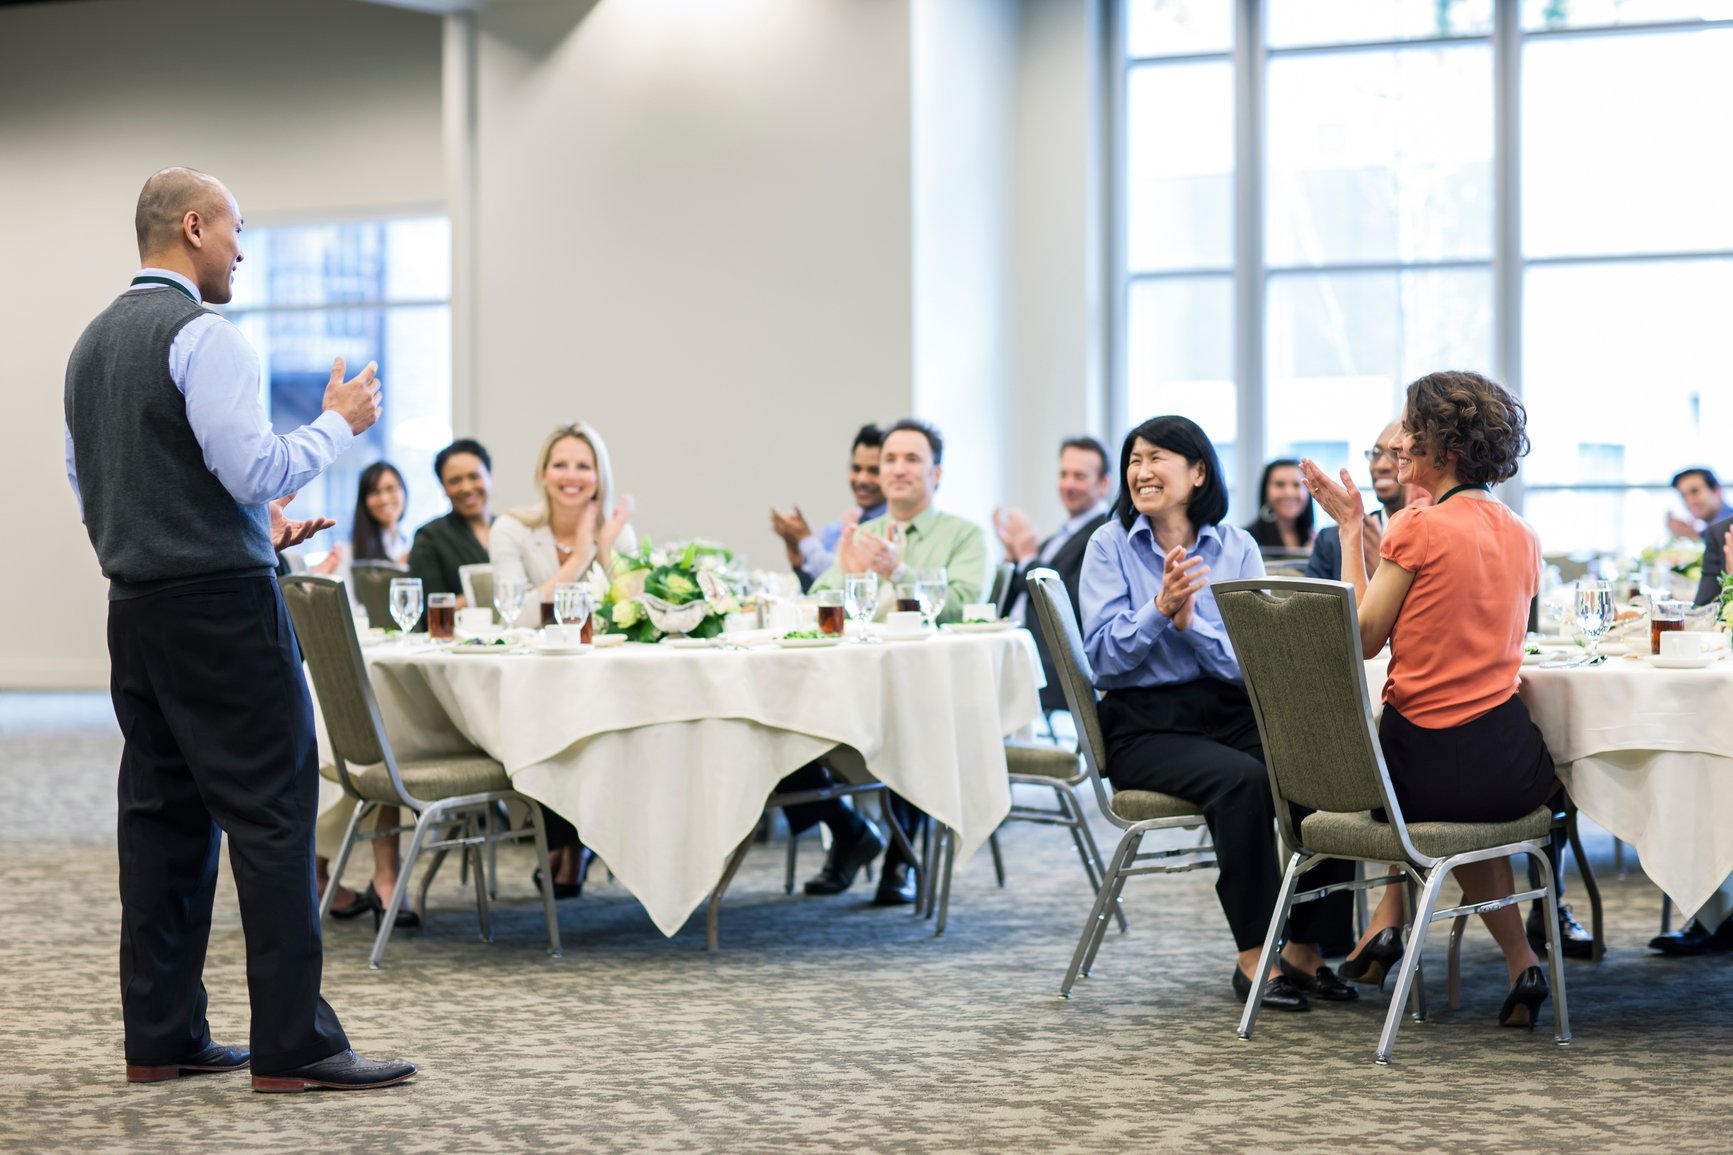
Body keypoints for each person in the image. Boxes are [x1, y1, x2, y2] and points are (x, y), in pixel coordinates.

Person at [62, 167, 414, 1091]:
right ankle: (295, 1045)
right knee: (272, 814)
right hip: (222, 613)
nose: (243, 250)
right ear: (191, 228)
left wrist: (246, 529)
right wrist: (337, 426)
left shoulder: (88, 347)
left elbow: (98, 484)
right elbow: (254, 465)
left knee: (163, 824)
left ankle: (162, 1036)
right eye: (235, 230)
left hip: (136, 612)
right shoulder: (204, 336)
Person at [1302, 369, 1558, 1030]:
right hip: (1511, 766)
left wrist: (1349, 529)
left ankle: (1404, 932)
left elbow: (1361, 637)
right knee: (1475, 827)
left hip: (1423, 765)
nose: (1401, 445)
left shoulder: (1416, 525)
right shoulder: (1522, 534)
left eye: (1411, 433)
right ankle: (1519, 960)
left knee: (1418, 781)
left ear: (1440, 448)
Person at [1080, 416, 1357, 1013]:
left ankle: (1308, 950)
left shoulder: (1235, 546)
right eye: (1134, 459)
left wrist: (1192, 624)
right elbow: (1102, 659)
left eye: (1157, 457)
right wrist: (1159, 610)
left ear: (1198, 471)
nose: (1141, 470)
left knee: (1322, 766)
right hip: (1144, 723)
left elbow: (1250, 660)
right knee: (1244, 782)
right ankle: (1255, 956)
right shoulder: (1107, 545)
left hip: (1230, 705)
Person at [792, 419, 991, 905]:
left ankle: (901, 860)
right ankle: (852, 830)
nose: (898, 469)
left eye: (912, 459)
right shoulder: (862, 533)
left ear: (936, 472)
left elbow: (964, 605)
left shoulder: (964, 536)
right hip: (852, 687)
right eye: (890, 460)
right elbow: (817, 605)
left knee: (912, 724)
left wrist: (897, 573)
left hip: (928, 694)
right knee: (780, 715)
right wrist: (852, 577)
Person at [490, 422, 635, 897]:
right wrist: (581, 557)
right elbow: (517, 615)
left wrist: (608, 549)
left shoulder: (619, 532)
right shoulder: (512, 528)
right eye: (561, 465)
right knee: (551, 724)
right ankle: (568, 846)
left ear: (598, 475)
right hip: (533, 687)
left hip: (603, 686)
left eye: (583, 466)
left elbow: (632, 612)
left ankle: (575, 845)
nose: (571, 476)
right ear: (543, 473)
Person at [312, 462, 417, 924]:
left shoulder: (416, 548)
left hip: (399, 667)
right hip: (356, 666)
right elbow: (344, 610)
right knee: (364, 747)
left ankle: (385, 876)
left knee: (396, 736)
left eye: (391, 488)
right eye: (374, 491)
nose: (384, 498)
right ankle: (318, 875)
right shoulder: (352, 551)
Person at [994, 436, 1114, 712]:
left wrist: (1028, 558)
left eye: (1079, 476)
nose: (1068, 484)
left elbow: (1069, 603)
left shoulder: (1102, 537)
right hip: (1022, 653)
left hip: (1057, 667)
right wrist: (1014, 559)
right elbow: (1011, 603)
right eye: (1064, 474)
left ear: (1103, 484)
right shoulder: (1052, 542)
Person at [770, 424, 886, 591]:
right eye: (856, 468)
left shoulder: (888, 529)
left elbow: (835, 570)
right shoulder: (838, 528)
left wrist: (804, 539)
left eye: (873, 471)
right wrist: (798, 561)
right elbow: (824, 589)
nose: (862, 479)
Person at [1305, 422, 1408, 582]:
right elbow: (1310, 607)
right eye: (1376, 453)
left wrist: (1382, 571)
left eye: (1396, 454)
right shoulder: (1331, 542)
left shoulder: (1435, 541)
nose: (1381, 466)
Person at [407, 438, 494, 609]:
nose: (467, 488)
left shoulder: (509, 529)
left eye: (474, 476)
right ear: (443, 488)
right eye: (455, 481)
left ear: (489, 477)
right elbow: (432, 609)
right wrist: (495, 594)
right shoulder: (428, 537)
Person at [1243, 459, 1314, 552]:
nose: (1289, 493)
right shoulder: (1247, 540)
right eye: (1280, 484)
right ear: (1265, 491)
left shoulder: (1315, 540)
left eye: (1296, 485)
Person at [1666, 468, 1733, 542]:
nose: (1689, 501)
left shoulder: (1728, 528)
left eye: (1694, 491)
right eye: (1683, 495)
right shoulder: (1708, 532)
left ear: (1717, 491)